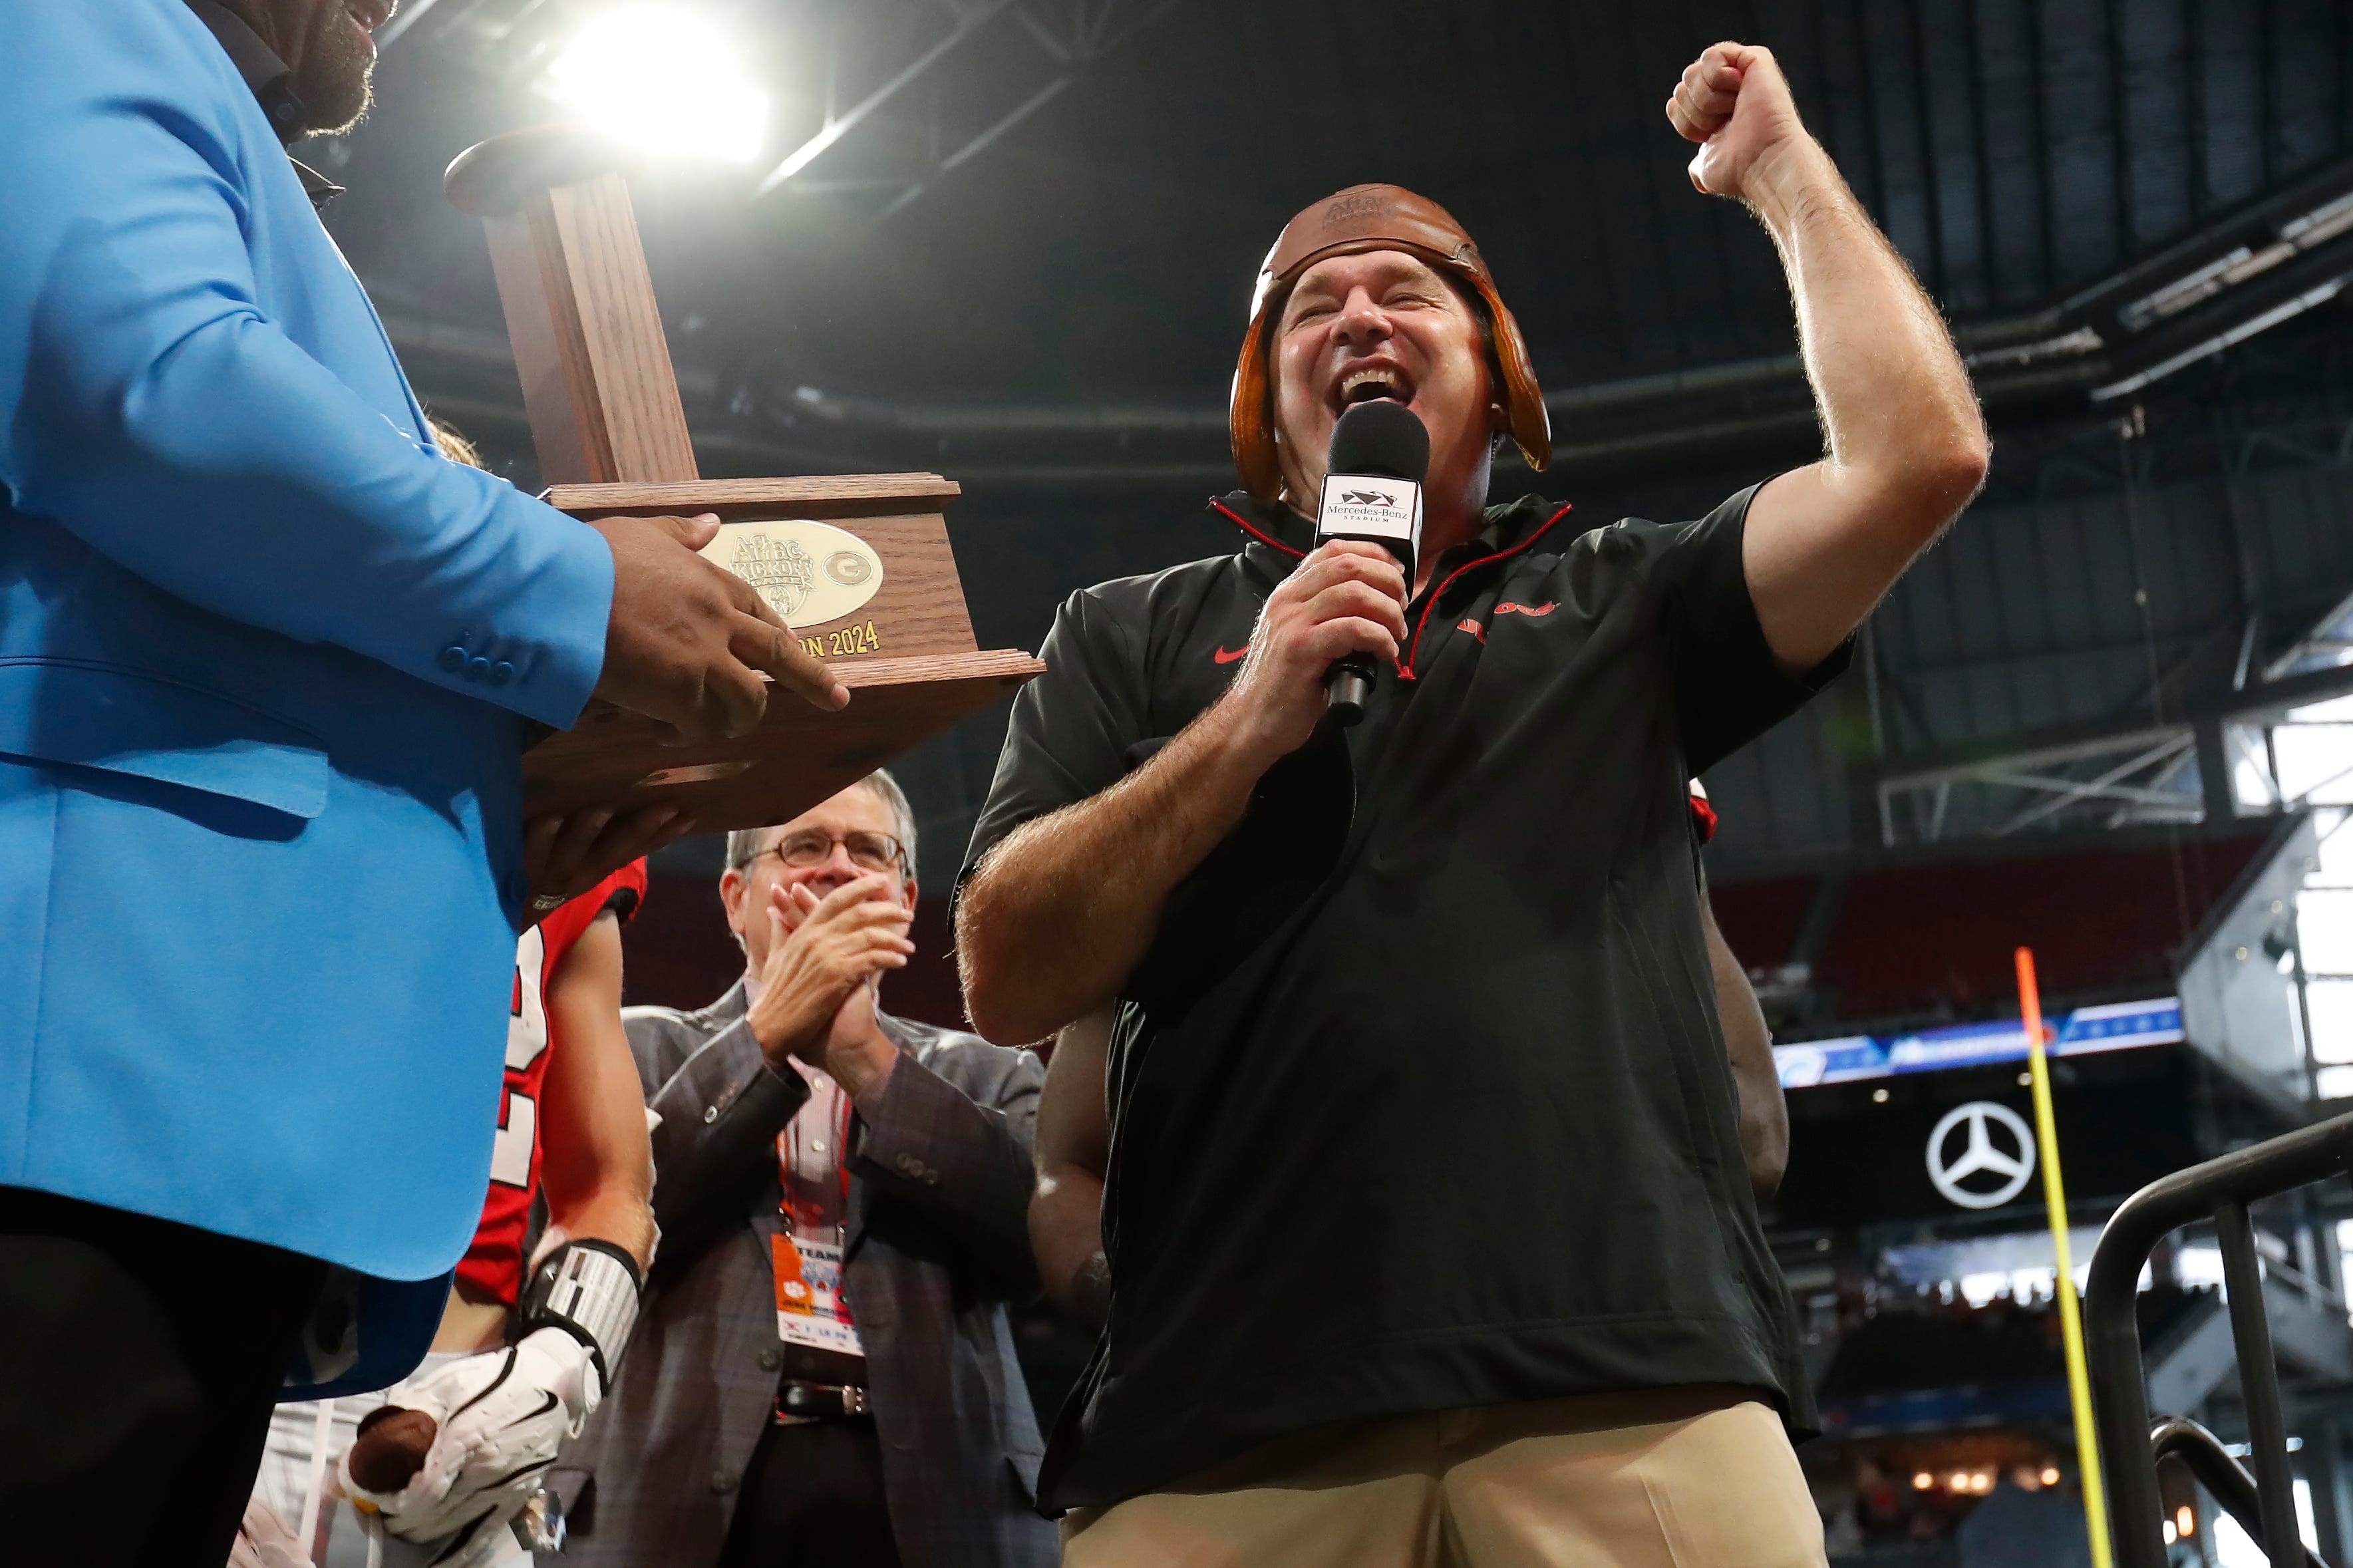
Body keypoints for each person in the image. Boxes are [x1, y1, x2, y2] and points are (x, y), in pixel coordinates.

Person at [955, 41, 1988, 1568]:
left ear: (1496, 369)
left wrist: (1776, 171)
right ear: (1265, 398)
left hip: (1630, 1382)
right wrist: (1247, 722)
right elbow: (1006, 970)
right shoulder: (1130, 632)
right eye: (1314, 302)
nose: (1361, 315)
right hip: (1225, 1414)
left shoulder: (1626, 598)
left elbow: (1923, 457)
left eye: (1410, 290)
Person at [0, 1, 844, 1561]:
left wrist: (454, 843)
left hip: (173, 1103)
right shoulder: (80, 19)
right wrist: (576, 595)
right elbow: (143, 389)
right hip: (90, 1093)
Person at [1032, 788, 1790, 1334]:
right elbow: (1065, 1169)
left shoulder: (1607, 744)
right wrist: (1141, 1296)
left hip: (1597, 1363)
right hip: (1262, 1395)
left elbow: (1755, 1134)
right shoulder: (1181, 808)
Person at [551, 774, 1058, 1568]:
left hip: (941, 1501)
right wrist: (770, 1035)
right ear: (734, 898)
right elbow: (600, 1230)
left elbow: (1046, 1244)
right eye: (804, 845)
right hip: (673, 1493)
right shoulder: (635, 1049)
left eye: (868, 850)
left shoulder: (984, 1072)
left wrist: (865, 1058)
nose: (836, 866)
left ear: (904, 895)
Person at [237, 860, 655, 1568]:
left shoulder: (586, 823)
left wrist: (555, 1368)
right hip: (238, 1378)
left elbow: (612, 1186)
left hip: (463, 1407)